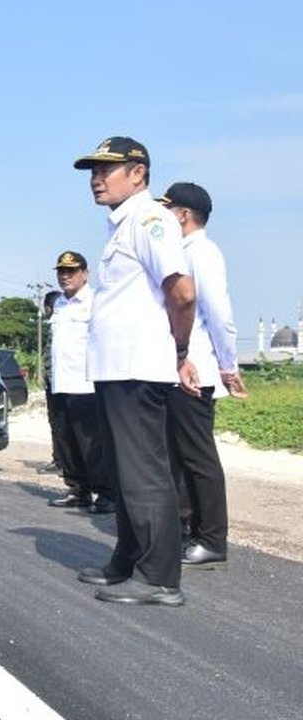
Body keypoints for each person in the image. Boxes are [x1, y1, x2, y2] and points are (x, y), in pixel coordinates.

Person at [72, 136, 199, 607]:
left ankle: (159, 576)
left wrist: (178, 347)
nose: (96, 179)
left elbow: (182, 293)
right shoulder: (121, 227)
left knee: (145, 472)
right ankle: (127, 560)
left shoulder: (151, 220)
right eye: (92, 171)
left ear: (139, 173)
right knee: (125, 472)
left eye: (107, 169)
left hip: (137, 368)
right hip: (113, 370)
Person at [158, 182, 245, 568]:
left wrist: (229, 367)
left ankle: (211, 538)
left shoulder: (203, 253)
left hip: (197, 369)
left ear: (183, 214)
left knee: (197, 458)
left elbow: (220, 315)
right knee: (177, 456)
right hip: (177, 370)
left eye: (168, 209)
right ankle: (185, 528)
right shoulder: (184, 252)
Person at [46, 251, 115, 514]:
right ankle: (78, 488)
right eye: (61, 272)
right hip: (61, 382)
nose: (65, 277)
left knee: (92, 443)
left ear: (85, 274)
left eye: (71, 271)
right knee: (66, 441)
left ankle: (107, 493)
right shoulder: (59, 304)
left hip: (86, 383)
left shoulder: (96, 300)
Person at [39, 289, 67, 476]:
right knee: (59, 422)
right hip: (58, 381)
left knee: (60, 423)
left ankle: (61, 461)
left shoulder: (59, 325)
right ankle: (61, 460)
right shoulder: (56, 324)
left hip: (60, 382)